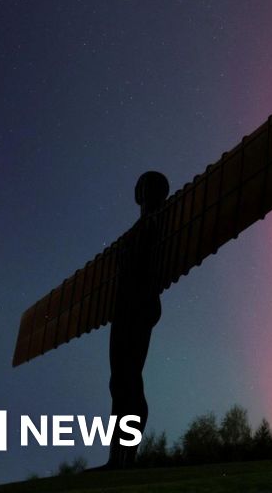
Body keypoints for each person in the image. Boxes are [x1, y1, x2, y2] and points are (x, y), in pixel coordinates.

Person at [106, 171, 169, 469]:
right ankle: (114, 456)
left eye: (152, 185)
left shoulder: (163, 221)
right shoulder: (133, 231)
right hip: (122, 307)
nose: (146, 190)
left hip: (141, 304)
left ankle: (127, 455)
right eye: (143, 185)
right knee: (117, 382)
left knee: (130, 379)